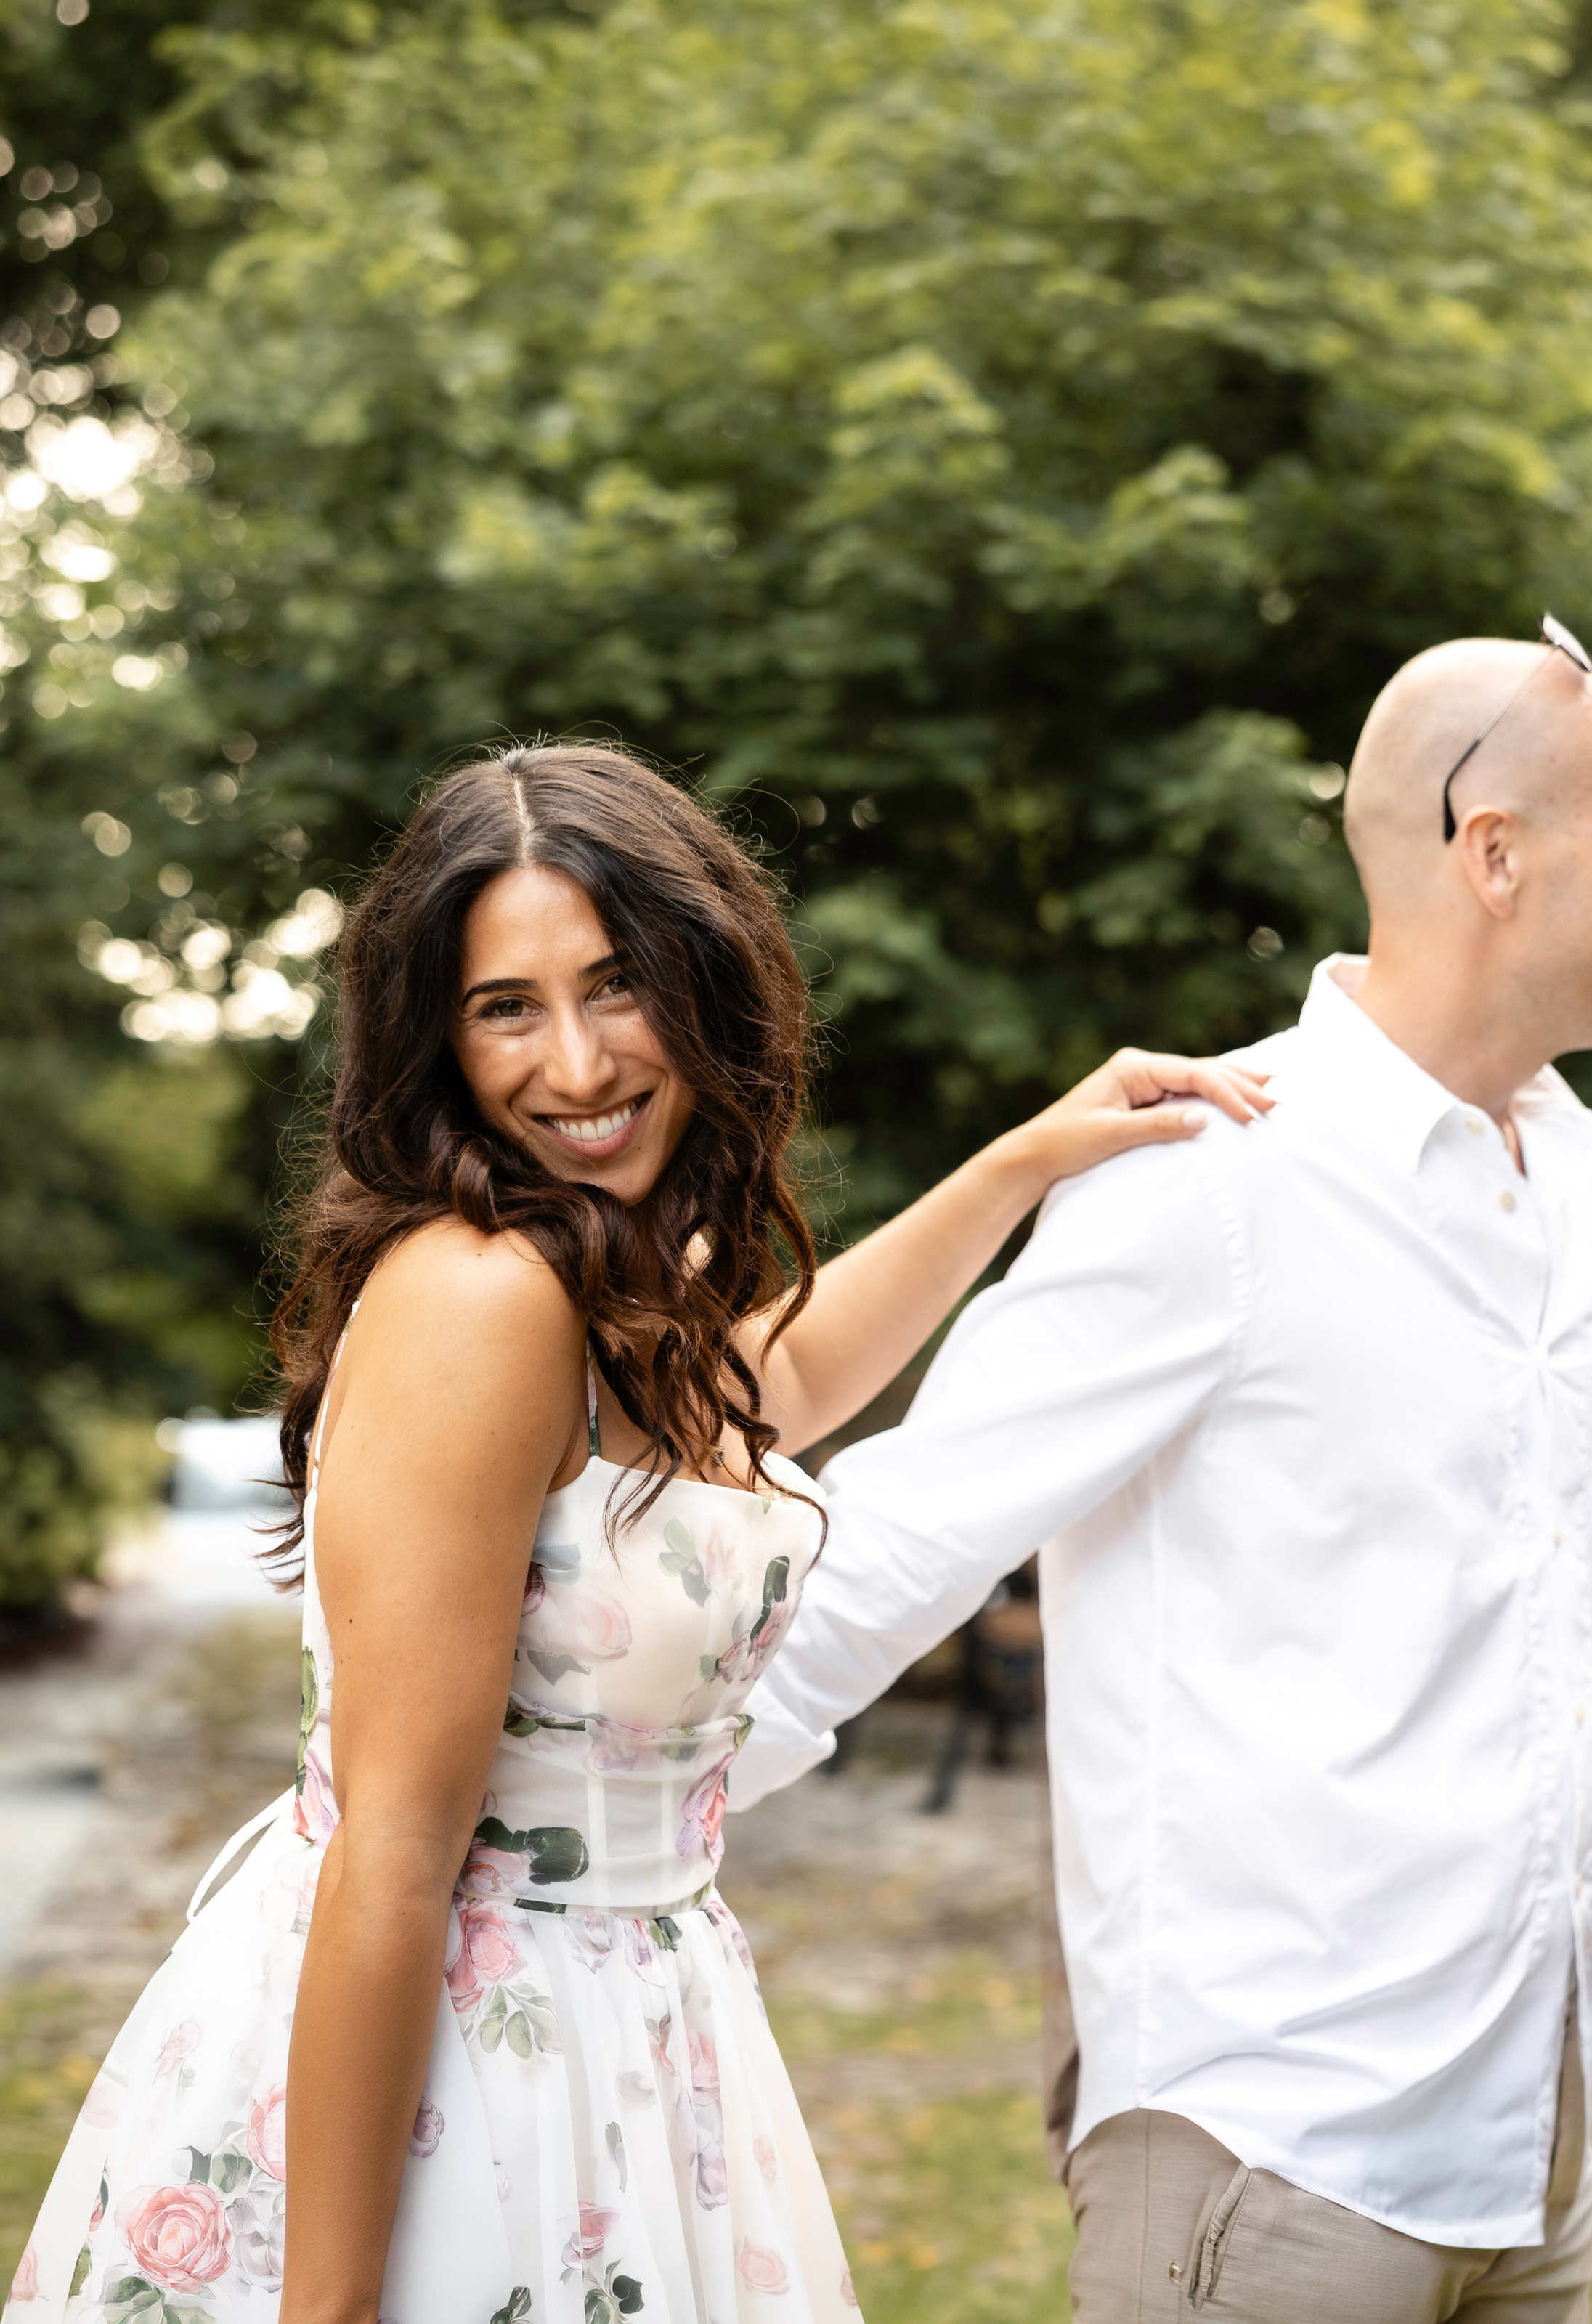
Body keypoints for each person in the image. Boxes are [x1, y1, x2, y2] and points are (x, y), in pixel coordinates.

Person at [4, 744, 1272, 2324]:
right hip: (467, 2074)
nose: (580, 1064)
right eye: (505, 1007)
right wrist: (324, 2310)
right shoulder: (483, 1298)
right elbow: (396, 1854)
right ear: (436, 1040)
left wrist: (1025, 1159)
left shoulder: (603, 1287)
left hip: (632, 2033)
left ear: (701, 985)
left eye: (616, 988)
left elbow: (779, 1379)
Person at [726, 622, 1592, 2324]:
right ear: (1493, 855)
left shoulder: (1566, 1171)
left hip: (1528, 2161)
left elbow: (1545, 1503)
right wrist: (565, 1819)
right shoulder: (1207, 1176)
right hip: (1267, 2162)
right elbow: (901, 1537)